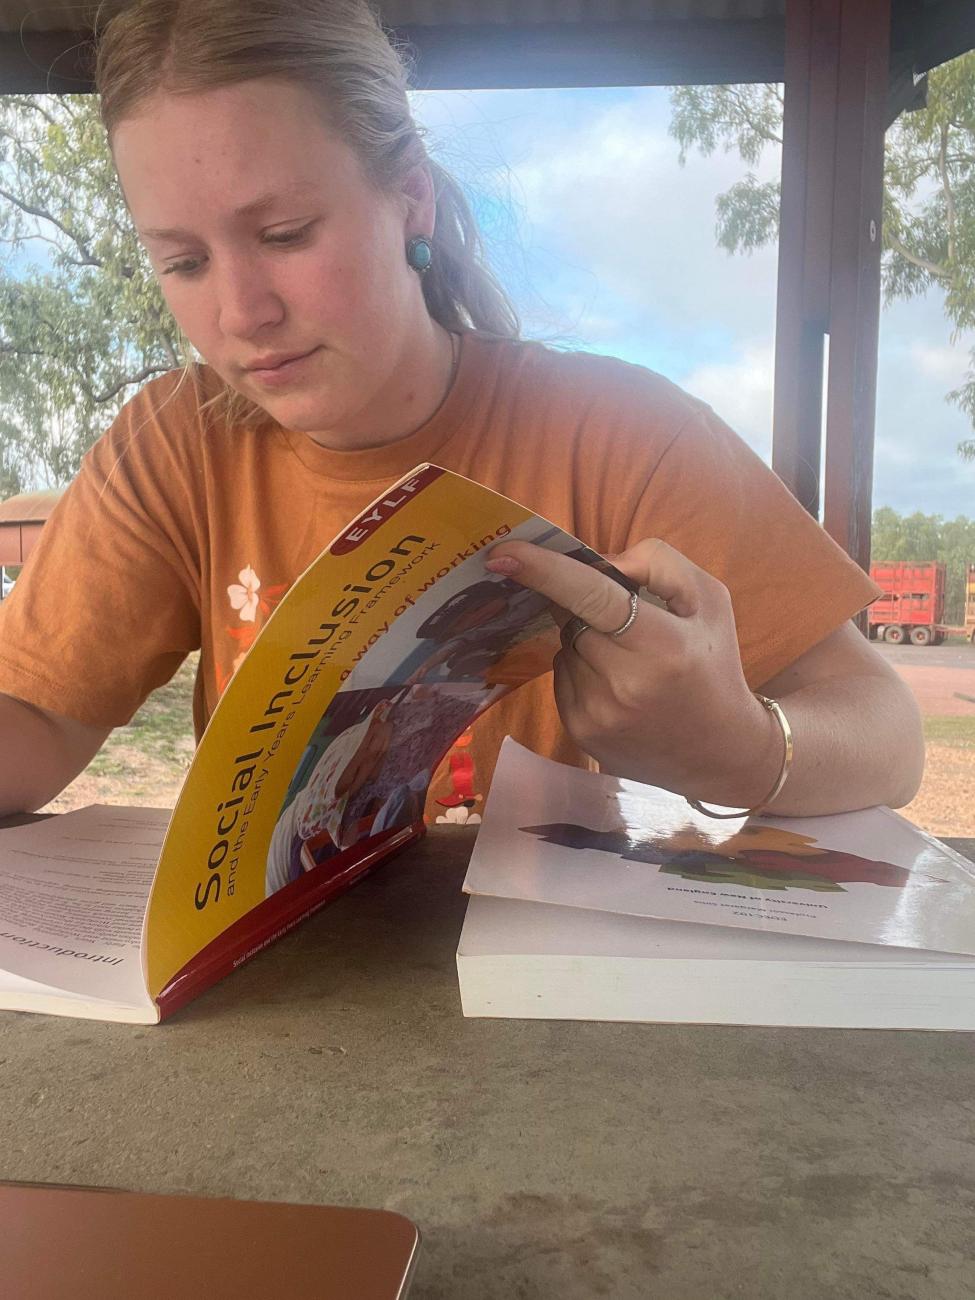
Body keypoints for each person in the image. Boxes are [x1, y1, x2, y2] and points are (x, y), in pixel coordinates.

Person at [0, 0, 923, 825]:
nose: (241, 316)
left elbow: (884, 734)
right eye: (183, 263)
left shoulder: (618, 433)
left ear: (411, 195)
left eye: (284, 235)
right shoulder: (175, 443)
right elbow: (37, 717)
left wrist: (743, 749)